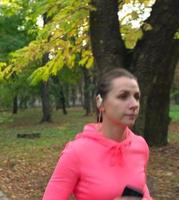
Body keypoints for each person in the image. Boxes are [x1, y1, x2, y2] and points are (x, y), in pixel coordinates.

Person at [42, 68, 152, 200]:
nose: (134, 104)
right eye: (123, 96)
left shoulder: (140, 146)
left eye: (137, 97)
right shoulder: (76, 152)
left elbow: (143, 190)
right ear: (100, 102)